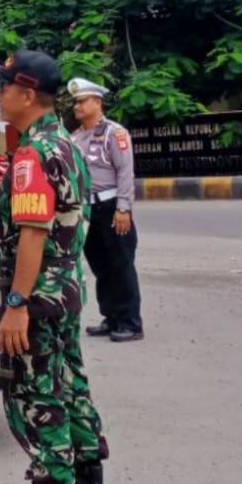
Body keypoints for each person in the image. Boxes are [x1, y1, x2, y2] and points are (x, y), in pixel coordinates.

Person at [0, 49, 118, 484]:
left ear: (26, 94)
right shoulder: (66, 144)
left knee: (38, 399)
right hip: (65, 294)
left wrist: (16, 304)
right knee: (72, 390)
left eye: (2, 88)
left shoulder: (33, 154)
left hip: (35, 301)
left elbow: (33, 233)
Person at [68, 78, 143, 342]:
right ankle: (111, 317)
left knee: (121, 265)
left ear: (97, 102)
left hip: (112, 207)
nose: (76, 106)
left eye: (82, 101)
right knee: (101, 266)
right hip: (89, 209)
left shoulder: (115, 133)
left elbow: (125, 172)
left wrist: (123, 208)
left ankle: (131, 323)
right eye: (75, 102)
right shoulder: (75, 137)